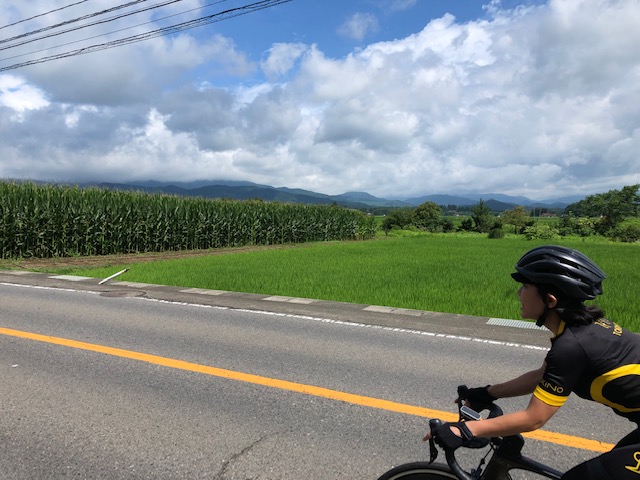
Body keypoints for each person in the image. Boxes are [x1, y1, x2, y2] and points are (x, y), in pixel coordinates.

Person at [424, 245, 640, 479]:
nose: (519, 293)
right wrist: (486, 393)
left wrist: (464, 429)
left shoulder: (572, 346)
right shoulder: (583, 331)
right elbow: (541, 376)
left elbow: (534, 418)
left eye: (526, 286)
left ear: (550, 300)